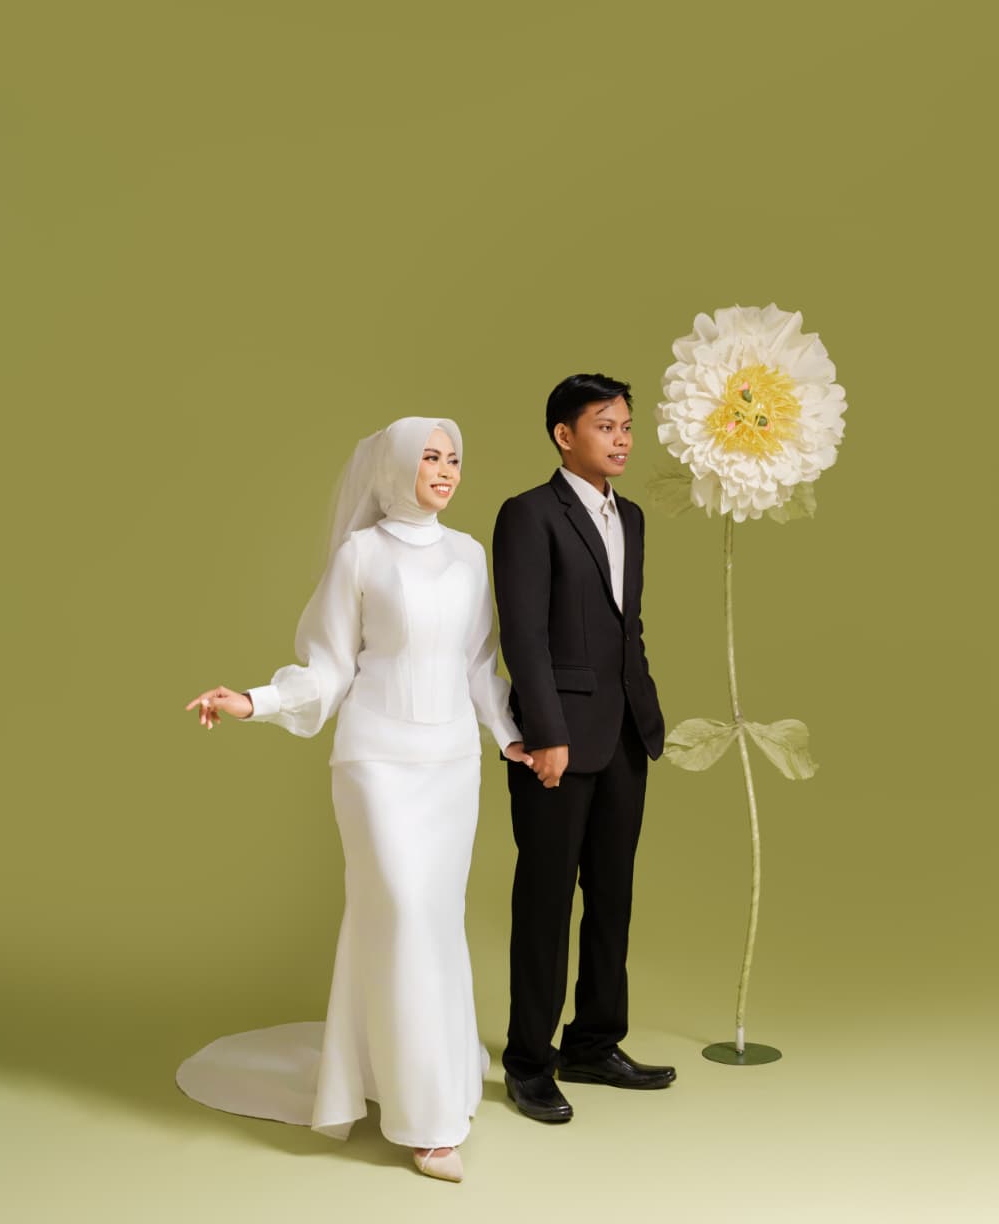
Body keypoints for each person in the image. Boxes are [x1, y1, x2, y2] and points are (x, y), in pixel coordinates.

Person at [180, 417, 530, 1183]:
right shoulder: (361, 554)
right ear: (396, 467)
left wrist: (509, 737)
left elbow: (480, 665)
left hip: (450, 765)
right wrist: (254, 700)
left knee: (429, 918)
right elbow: (328, 668)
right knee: (399, 908)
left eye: (454, 458)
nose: (446, 470)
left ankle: (418, 1076)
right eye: (430, 457)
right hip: (376, 761)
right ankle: (427, 1125)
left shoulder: (469, 555)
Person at [492, 375, 675, 1123]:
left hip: (625, 732)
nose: (622, 438)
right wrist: (545, 735)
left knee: (612, 897)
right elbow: (524, 635)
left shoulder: (631, 516)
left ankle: (595, 1044)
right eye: (606, 425)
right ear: (564, 435)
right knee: (545, 902)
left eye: (627, 426)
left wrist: (646, 709)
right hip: (558, 741)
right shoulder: (529, 514)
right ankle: (528, 1062)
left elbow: (628, 626)